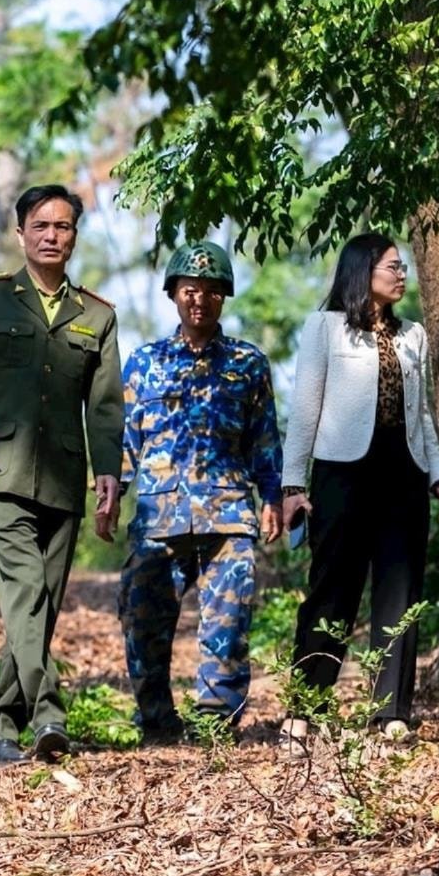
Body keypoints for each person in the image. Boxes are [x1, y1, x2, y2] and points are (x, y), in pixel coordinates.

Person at [0, 185, 124, 766]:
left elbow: (106, 406)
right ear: (21, 234)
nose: (52, 235)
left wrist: (109, 473)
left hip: (63, 476)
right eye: (41, 226)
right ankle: (50, 715)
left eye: (63, 226)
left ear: (74, 237)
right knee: (27, 592)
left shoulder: (99, 316)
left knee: (35, 610)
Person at [279, 232, 439, 745]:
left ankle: (391, 713)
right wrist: (293, 484)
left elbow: (421, 415)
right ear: (363, 272)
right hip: (342, 473)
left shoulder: (413, 335)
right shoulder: (325, 328)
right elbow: (304, 409)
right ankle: (304, 709)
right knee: (332, 589)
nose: (402, 275)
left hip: (404, 472)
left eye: (403, 268)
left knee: (399, 594)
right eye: (392, 267)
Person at [118, 242, 283, 743]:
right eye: (191, 290)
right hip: (157, 519)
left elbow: (265, 438)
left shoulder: (248, 364)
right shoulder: (144, 363)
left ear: (224, 298)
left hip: (229, 515)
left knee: (227, 627)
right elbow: (126, 437)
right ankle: (157, 724)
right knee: (142, 622)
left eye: (212, 292)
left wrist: (274, 495)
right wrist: (110, 492)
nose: (201, 301)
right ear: (173, 294)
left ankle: (216, 724)